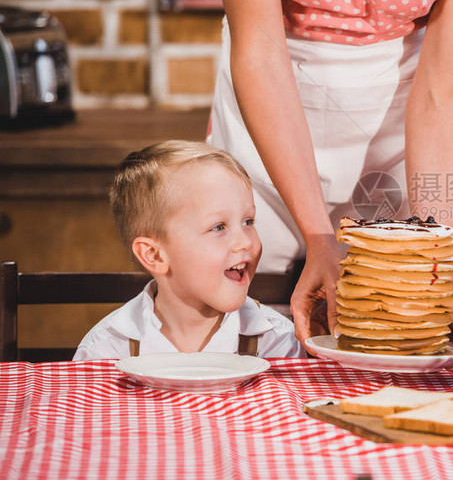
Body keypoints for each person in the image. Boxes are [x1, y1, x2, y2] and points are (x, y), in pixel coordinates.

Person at [205, 0, 453, 352]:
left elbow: (440, 90)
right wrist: (319, 238)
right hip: (272, 106)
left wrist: (437, 257)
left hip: (407, 114)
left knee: (401, 313)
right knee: (256, 323)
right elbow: (259, 51)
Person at [74, 141, 304, 360]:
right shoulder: (107, 348)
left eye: (248, 221)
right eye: (219, 227)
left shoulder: (277, 342)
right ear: (154, 255)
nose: (244, 242)